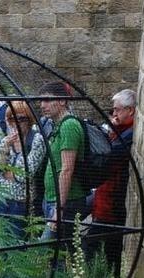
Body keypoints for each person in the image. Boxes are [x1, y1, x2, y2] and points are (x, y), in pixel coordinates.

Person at [90, 88, 136, 274]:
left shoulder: (129, 133)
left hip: (113, 204)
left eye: (116, 109)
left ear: (130, 110)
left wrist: (109, 130)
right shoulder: (121, 131)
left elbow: (107, 156)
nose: (113, 114)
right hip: (105, 201)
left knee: (97, 250)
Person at [38, 80, 87, 245]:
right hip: (52, 199)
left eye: (47, 100)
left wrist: (59, 209)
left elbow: (67, 169)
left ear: (62, 101)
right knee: (55, 252)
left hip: (66, 202)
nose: (42, 105)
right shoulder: (56, 125)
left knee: (54, 251)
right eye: (41, 101)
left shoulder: (69, 126)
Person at [0, 100, 46, 232]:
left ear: (29, 119)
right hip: (2, 199)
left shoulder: (37, 140)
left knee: (18, 239)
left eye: (21, 119)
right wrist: (5, 150)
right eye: (12, 119)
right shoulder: (6, 140)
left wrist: (7, 172)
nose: (16, 123)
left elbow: (23, 175)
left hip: (23, 202)